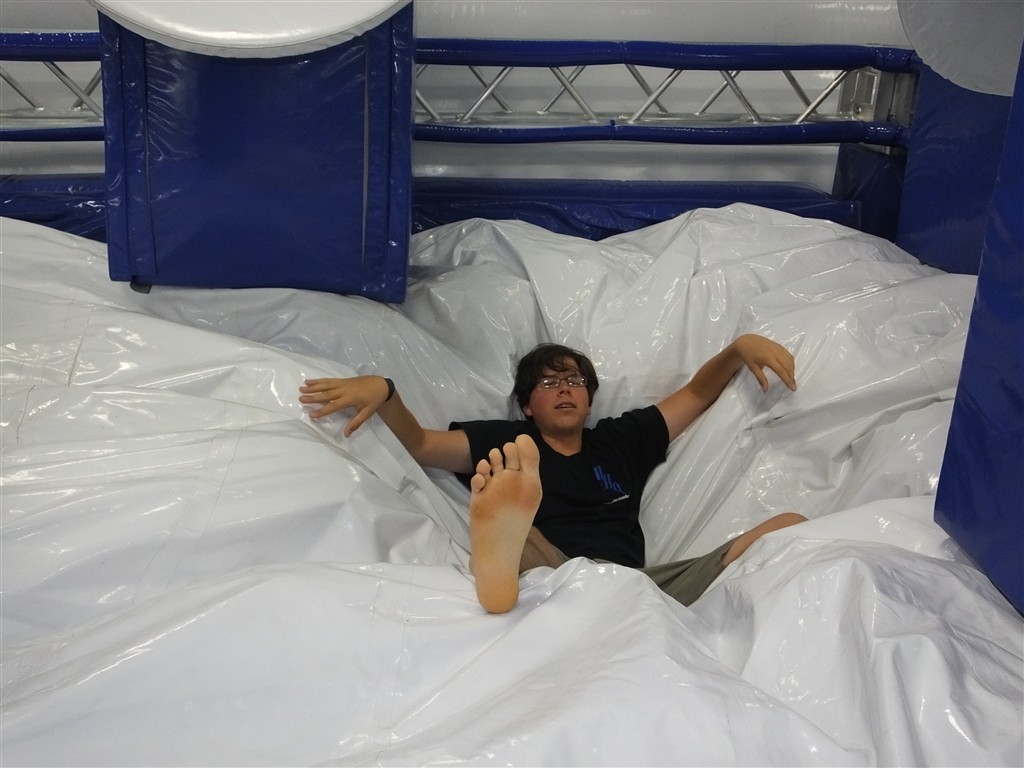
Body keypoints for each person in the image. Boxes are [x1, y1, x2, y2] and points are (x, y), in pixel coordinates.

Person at [299, 334, 805, 613]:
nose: (564, 388)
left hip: (636, 588)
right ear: (526, 405)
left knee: (789, 526)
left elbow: (695, 394)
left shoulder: (623, 439)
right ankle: (506, 559)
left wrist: (738, 349)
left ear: (589, 399)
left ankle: (510, 562)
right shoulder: (506, 446)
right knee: (517, 523)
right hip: (553, 571)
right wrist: (386, 392)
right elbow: (422, 444)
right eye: (548, 383)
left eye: (574, 381)